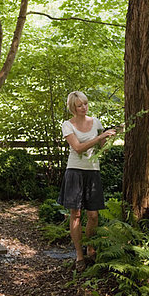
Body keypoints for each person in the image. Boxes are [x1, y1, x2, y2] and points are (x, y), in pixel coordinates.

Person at [57, 91, 120, 271]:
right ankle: (79, 255)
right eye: (79, 105)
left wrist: (107, 139)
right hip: (75, 172)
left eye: (85, 103)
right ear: (73, 108)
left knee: (93, 215)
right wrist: (99, 137)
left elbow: (103, 150)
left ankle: (90, 247)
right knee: (75, 214)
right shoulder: (67, 125)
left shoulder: (96, 122)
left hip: (93, 172)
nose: (84, 107)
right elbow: (77, 148)